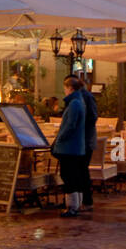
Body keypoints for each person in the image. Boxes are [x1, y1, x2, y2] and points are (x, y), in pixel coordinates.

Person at [51, 83, 89, 217]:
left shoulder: (74, 104)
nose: (65, 92)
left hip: (69, 147)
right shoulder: (80, 102)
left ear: (70, 88)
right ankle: (76, 204)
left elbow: (70, 125)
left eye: (65, 89)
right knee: (75, 175)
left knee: (68, 176)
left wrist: (60, 139)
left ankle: (72, 206)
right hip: (76, 147)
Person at [66, 75, 99, 210]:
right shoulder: (78, 98)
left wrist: (81, 130)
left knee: (81, 170)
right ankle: (80, 200)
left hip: (84, 140)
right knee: (79, 170)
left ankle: (85, 200)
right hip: (82, 140)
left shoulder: (84, 98)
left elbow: (92, 117)